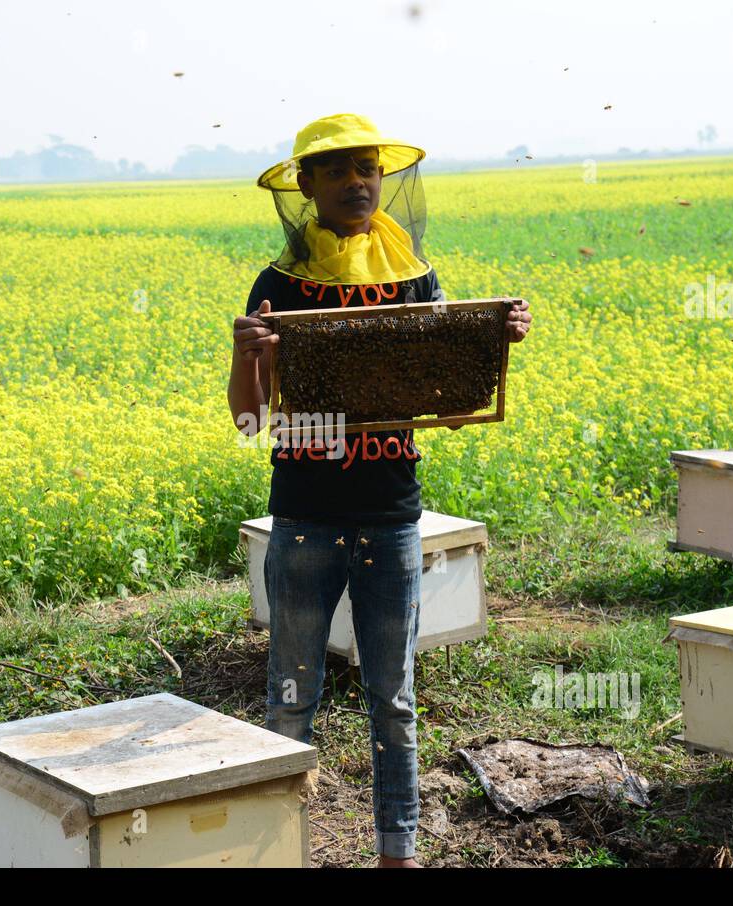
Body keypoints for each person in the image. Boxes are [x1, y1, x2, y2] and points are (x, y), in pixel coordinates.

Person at [227, 113, 532, 867]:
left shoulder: (415, 276)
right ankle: (278, 853)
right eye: (337, 171)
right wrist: (246, 354)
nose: (358, 183)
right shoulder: (277, 286)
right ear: (305, 187)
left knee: (393, 702)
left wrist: (493, 340)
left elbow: (452, 407)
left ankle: (398, 854)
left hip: (392, 514)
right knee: (290, 697)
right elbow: (247, 419)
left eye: (367, 168)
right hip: (303, 518)